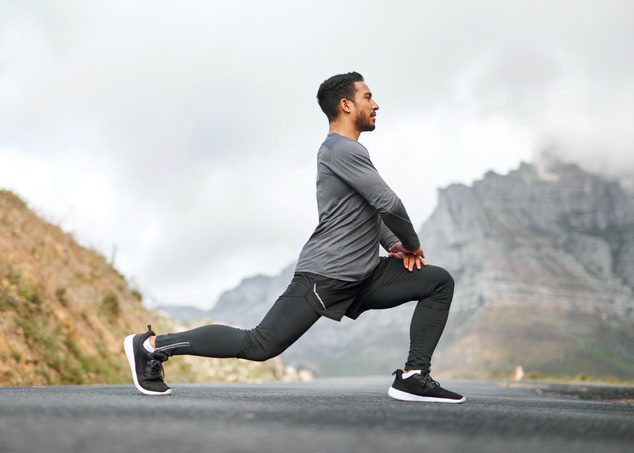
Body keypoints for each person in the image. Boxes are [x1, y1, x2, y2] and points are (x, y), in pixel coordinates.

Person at [124, 72, 465, 403]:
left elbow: (370, 210)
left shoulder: (348, 153)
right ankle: (151, 346)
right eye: (368, 97)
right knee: (259, 345)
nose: (376, 104)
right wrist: (412, 243)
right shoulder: (341, 150)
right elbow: (388, 202)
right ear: (346, 105)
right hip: (325, 275)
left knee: (437, 282)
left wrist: (393, 243)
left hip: (364, 274)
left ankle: (413, 377)